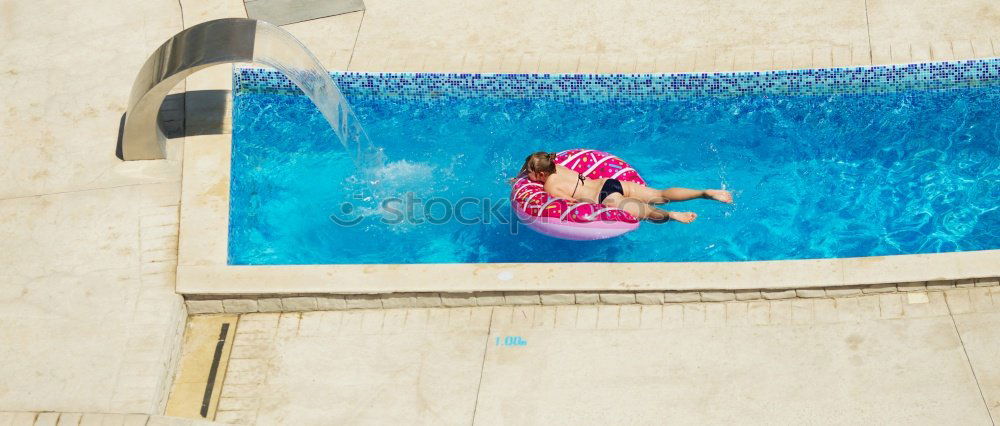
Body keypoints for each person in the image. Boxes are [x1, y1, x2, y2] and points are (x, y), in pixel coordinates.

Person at [514, 152, 732, 223]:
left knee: (645, 213)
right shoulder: (558, 165)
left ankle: (673, 216)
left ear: (541, 175)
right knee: (659, 194)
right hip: (610, 183)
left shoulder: (550, 185)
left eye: (530, 174)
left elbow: (568, 206)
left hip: (605, 199)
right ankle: (704, 192)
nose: (529, 177)